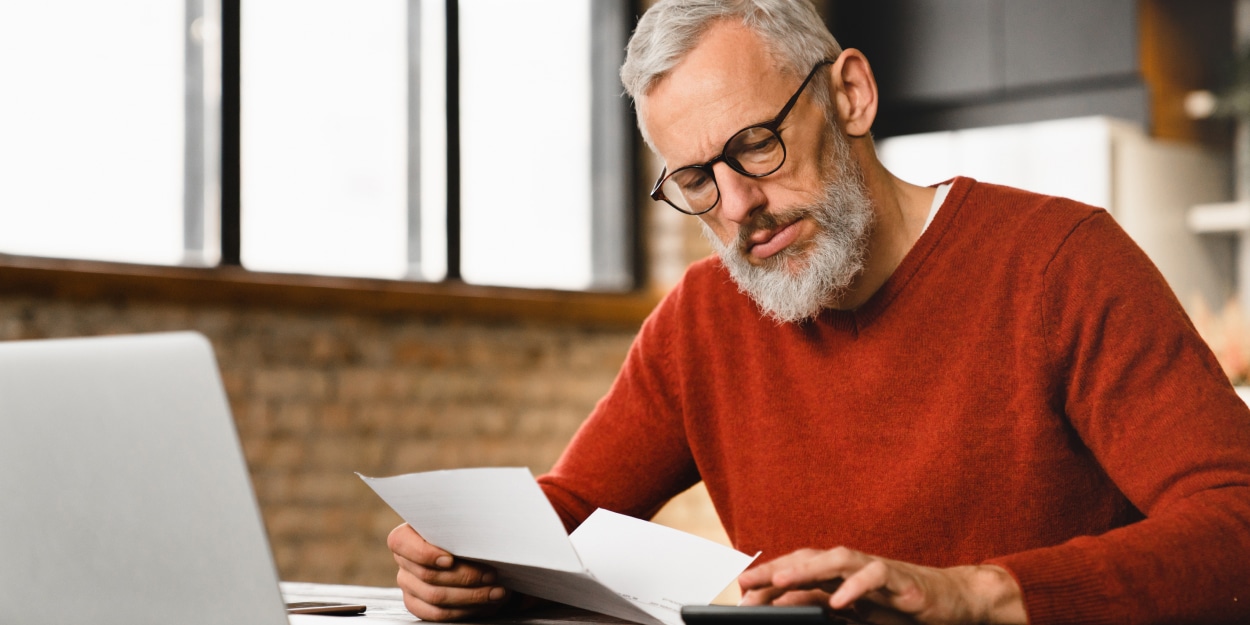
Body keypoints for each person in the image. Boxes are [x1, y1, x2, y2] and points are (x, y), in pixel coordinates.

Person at [388, 1, 1250, 623]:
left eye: (755, 145)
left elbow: (1236, 519)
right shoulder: (702, 319)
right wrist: (469, 560)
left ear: (850, 96)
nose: (735, 208)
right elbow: (573, 504)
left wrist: (977, 593)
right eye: (695, 179)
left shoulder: (1061, 260)